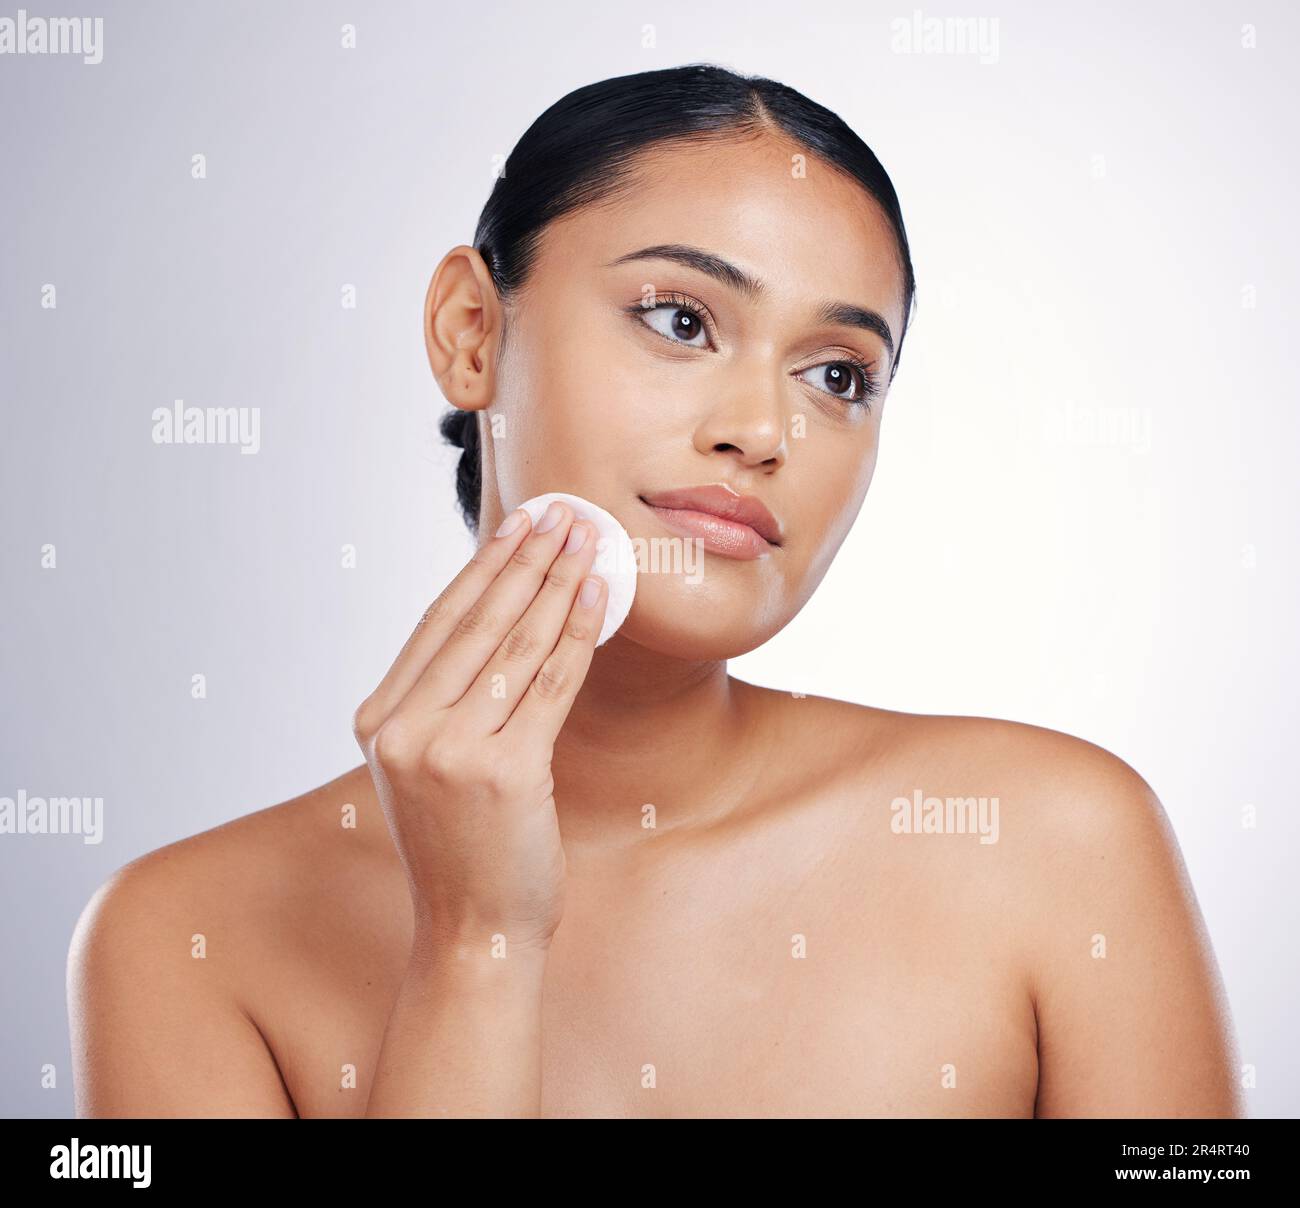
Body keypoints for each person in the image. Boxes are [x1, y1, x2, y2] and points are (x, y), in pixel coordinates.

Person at [67, 63, 1243, 1118]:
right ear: (472, 330)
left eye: (837, 375)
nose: (760, 431)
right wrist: (476, 944)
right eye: (681, 320)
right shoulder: (181, 942)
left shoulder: (1056, 839)